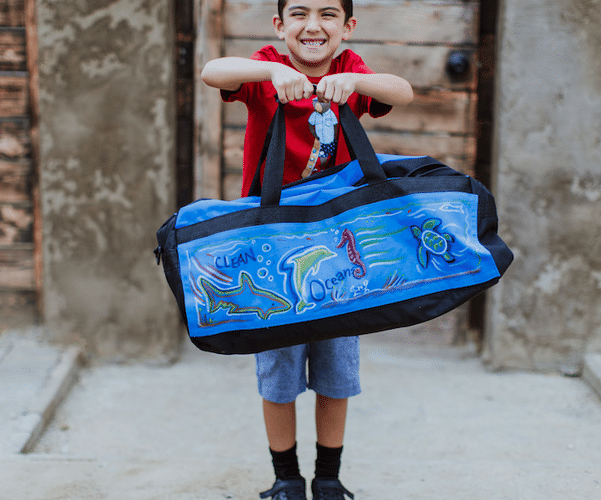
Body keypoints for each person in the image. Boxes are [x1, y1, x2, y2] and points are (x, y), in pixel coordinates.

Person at [201, 1, 413, 499]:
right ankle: (285, 479)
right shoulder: (262, 71)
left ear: (346, 28)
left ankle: (329, 478)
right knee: (277, 369)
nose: (312, 26)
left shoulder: (348, 69)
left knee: (337, 366)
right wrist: (273, 70)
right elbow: (213, 71)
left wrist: (357, 85)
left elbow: (401, 91)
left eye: (327, 15)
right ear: (280, 26)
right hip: (270, 248)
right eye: (298, 14)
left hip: (341, 247)